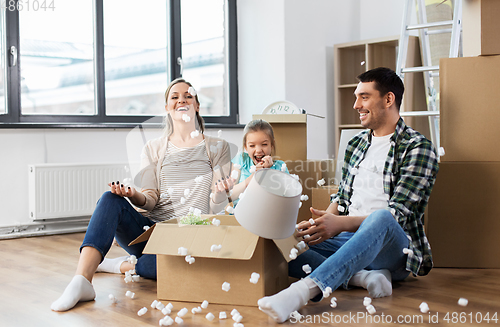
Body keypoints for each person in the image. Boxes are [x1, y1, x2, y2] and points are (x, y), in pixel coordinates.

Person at [258, 67, 439, 323]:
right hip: (346, 240)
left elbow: (398, 215)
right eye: (356, 97)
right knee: (281, 239)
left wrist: (339, 224)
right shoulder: (356, 144)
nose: (356, 105)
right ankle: (363, 277)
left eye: (364, 97)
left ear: (388, 99)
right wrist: (319, 225)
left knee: (381, 219)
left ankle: (301, 292)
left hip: (394, 249)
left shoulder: (418, 147)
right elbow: (343, 199)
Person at [51, 78, 232, 312]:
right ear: (167, 108)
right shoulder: (153, 148)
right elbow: (150, 199)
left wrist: (220, 194)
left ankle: (124, 265)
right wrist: (133, 194)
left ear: (197, 105)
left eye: (188, 96)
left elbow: (218, 207)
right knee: (109, 199)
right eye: (174, 97)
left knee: (175, 265)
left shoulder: (217, 147)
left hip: (190, 235)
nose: (181, 100)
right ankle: (82, 281)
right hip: (151, 233)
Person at [229, 119, 289, 205]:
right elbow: (229, 196)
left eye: (264, 144)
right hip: (241, 215)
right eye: (252, 146)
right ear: (246, 147)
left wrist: (268, 172)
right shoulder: (241, 160)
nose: (258, 150)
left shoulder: (280, 166)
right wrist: (253, 177)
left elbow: (286, 200)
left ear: (272, 145)